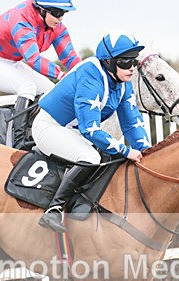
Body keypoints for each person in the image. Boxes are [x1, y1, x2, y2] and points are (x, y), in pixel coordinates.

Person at [32, 32, 151, 233]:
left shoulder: (123, 83)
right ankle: (54, 209)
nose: (131, 67)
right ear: (109, 62)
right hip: (50, 127)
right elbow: (91, 129)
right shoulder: (91, 76)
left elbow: (131, 124)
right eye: (125, 62)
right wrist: (125, 150)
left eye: (134, 61)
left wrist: (147, 151)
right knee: (90, 157)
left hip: (72, 132)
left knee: (110, 158)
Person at [0, 1, 81, 149]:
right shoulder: (22, 20)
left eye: (64, 13)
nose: (60, 18)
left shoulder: (56, 27)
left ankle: (38, 131)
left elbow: (70, 58)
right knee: (27, 86)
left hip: (12, 62)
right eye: (57, 13)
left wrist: (86, 75)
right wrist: (60, 75)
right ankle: (17, 140)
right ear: (42, 10)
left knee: (50, 90)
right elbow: (34, 59)